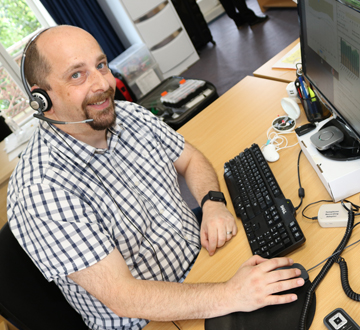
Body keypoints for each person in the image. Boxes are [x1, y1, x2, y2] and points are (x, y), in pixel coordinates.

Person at [7, 26, 304, 330]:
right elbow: (124, 297)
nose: (102, 83)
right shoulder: (41, 189)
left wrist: (213, 203)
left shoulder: (128, 115)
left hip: (204, 266)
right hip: (152, 320)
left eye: (100, 65)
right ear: (41, 98)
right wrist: (231, 294)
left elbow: (190, 159)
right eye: (76, 75)